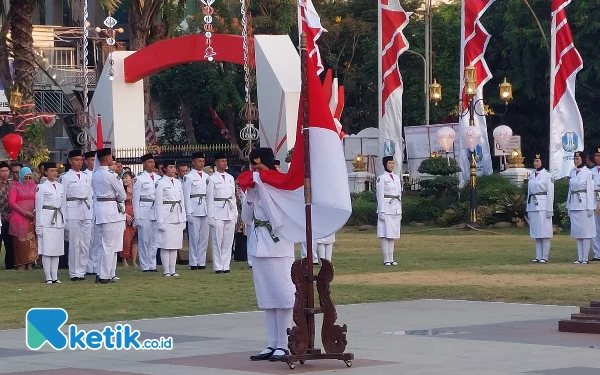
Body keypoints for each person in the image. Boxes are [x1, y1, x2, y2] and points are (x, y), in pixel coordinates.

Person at [241, 148, 294, 362]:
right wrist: (251, 193)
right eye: (253, 167)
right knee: (267, 298)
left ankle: (285, 343)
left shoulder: (281, 187)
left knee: (283, 296)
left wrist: (263, 187)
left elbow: (278, 217)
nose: (255, 171)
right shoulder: (255, 188)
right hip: (259, 246)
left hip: (279, 245)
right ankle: (272, 343)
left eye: (259, 167)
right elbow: (246, 218)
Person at [92, 148, 127, 284]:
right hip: (111, 211)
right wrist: (117, 198)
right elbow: (122, 195)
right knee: (109, 245)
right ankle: (104, 275)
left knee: (102, 245)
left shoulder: (95, 175)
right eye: (111, 157)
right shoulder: (110, 175)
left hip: (100, 210)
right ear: (106, 159)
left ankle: (101, 272)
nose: (112, 159)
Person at [60, 150, 93, 281]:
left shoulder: (86, 176)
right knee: (75, 242)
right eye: (76, 160)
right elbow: (62, 199)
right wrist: (64, 218)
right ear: (70, 161)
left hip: (86, 210)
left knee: (85, 242)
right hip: (72, 210)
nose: (79, 162)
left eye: (80, 160)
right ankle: (74, 272)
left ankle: (82, 270)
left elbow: (90, 195)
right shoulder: (66, 177)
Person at [207, 152, 237, 273]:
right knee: (217, 240)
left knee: (228, 240)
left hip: (229, 210)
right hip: (217, 211)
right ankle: (218, 266)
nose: (224, 163)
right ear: (216, 163)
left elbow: (233, 196)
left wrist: (235, 213)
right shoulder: (212, 179)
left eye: (225, 161)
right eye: (221, 161)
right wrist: (210, 216)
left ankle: (226, 265)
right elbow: (209, 198)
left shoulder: (230, 178)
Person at [35, 163, 65, 284]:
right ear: (46, 172)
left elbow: (63, 205)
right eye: (51, 171)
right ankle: (48, 276)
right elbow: (38, 206)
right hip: (47, 218)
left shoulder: (60, 186)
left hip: (58, 218)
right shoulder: (41, 187)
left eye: (55, 171)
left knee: (56, 249)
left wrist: (64, 220)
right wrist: (39, 225)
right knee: (47, 249)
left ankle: (55, 276)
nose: (54, 173)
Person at [155, 160, 186, 277]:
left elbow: (182, 201)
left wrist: (183, 218)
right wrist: (160, 221)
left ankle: (173, 270)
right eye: (171, 167)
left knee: (175, 245)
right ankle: (166, 270)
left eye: (174, 167)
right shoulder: (160, 183)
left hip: (177, 215)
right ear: (165, 169)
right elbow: (158, 203)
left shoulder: (178, 183)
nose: (173, 169)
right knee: (165, 244)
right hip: (166, 215)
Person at [567, 151, 596, 264]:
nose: (576, 160)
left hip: (584, 205)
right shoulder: (573, 172)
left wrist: (590, 207)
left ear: (583, 159)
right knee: (578, 233)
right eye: (574, 158)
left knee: (586, 232)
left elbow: (590, 191)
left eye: (578, 158)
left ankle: (585, 258)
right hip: (574, 204)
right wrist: (568, 205)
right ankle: (580, 257)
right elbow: (570, 191)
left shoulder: (588, 173)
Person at [183, 152, 209, 270]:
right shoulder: (188, 177)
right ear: (193, 162)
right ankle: (193, 262)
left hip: (205, 207)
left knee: (204, 237)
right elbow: (186, 195)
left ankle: (201, 261)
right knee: (194, 237)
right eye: (199, 161)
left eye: (203, 161)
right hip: (194, 208)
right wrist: (188, 212)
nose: (201, 163)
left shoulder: (207, 176)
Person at [133, 153, 159, 272]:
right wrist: (137, 216)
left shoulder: (159, 178)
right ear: (144, 164)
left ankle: (152, 264)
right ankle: (145, 265)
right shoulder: (140, 178)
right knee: (144, 239)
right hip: (144, 209)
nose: (152, 164)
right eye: (149, 162)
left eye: (153, 162)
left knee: (154, 239)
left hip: (156, 209)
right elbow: (135, 198)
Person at [526, 154, 554, 263]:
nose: (535, 163)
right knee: (536, 232)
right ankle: (538, 256)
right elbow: (529, 193)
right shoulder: (532, 174)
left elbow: (550, 193)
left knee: (545, 232)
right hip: (533, 204)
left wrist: (549, 209)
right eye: (534, 161)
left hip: (543, 205)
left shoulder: (547, 175)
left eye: (537, 161)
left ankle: (545, 256)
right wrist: (528, 208)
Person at [8, 167, 37, 270]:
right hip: (19, 219)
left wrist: (33, 212)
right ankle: (20, 265)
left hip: (31, 218)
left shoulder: (34, 186)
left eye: (29, 178)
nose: (28, 180)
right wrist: (25, 213)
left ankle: (30, 264)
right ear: (21, 176)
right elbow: (11, 202)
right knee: (21, 243)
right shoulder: (14, 187)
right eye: (25, 178)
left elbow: (37, 200)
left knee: (31, 242)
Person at [376, 156, 402, 266]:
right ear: (385, 164)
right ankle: (386, 258)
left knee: (392, 235)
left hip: (395, 208)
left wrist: (400, 210)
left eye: (393, 163)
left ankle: (391, 258)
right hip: (386, 208)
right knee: (384, 234)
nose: (392, 165)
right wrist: (381, 210)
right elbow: (380, 195)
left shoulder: (396, 177)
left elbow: (400, 195)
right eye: (390, 163)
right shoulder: (382, 178)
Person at [83, 151, 100, 275]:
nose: (94, 163)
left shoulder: (99, 174)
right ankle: (87, 265)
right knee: (87, 239)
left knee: (98, 239)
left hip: (99, 207)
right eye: (92, 160)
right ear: (86, 161)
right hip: (87, 208)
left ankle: (96, 264)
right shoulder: (84, 175)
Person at [122, 171, 138, 267]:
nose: (124, 179)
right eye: (123, 178)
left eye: (126, 177)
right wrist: (125, 215)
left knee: (135, 239)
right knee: (126, 239)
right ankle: (124, 259)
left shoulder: (136, 190)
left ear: (132, 179)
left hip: (135, 215)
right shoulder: (122, 191)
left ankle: (134, 260)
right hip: (125, 215)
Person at [0, 162, 14, 270]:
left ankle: (10, 265)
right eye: (2, 171)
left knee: (10, 243)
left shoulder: (12, 185)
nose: (5, 173)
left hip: (11, 218)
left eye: (6, 171)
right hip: (0, 218)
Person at [591, 148, 600, 262]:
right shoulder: (591, 171)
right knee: (595, 228)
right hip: (594, 200)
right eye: (596, 155)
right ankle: (597, 254)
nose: (597, 158)